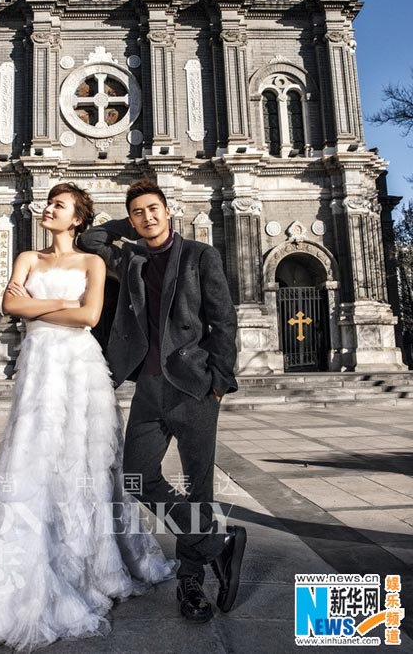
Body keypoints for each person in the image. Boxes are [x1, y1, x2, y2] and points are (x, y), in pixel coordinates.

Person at [0, 182, 175, 651]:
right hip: (40, 365)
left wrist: (42, 309)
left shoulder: (92, 262)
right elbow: (10, 306)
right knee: (34, 456)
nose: (48, 209)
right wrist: (61, 305)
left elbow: (89, 317)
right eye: (49, 203)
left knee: (85, 460)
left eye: (59, 206)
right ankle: (31, 557)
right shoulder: (27, 256)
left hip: (81, 369)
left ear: (78, 219)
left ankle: (91, 563)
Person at [77, 177, 246, 623]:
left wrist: (218, 379)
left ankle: (190, 585)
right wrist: (126, 225)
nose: (147, 217)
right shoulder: (129, 257)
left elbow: (223, 321)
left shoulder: (199, 256)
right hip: (148, 388)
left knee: (198, 488)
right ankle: (218, 545)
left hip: (193, 386)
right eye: (138, 212)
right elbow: (89, 238)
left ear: (169, 210)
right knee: (136, 477)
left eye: (154, 209)